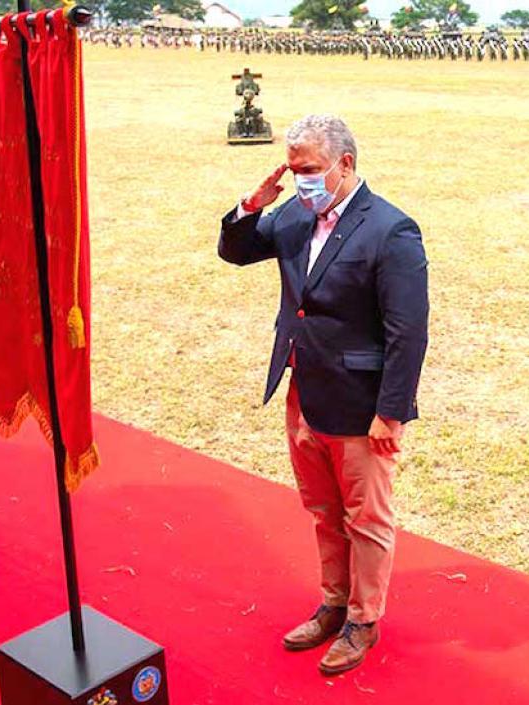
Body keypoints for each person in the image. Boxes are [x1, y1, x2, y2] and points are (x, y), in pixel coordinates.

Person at [218, 115, 429, 676]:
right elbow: (235, 252)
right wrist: (252, 205)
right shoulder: (291, 213)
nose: (302, 180)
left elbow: (407, 331)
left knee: (366, 518)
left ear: (345, 164)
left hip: (360, 404)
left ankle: (364, 619)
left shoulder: (390, 229)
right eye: (294, 170)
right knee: (322, 510)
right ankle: (334, 603)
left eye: (310, 169)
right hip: (304, 389)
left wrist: (391, 413)